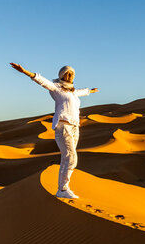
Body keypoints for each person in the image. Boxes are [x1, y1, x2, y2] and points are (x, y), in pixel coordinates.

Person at [10, 63, 98, 199]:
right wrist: (25, 71)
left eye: (72, 74)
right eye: (67, 73)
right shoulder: (56, 88)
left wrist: (90, 91)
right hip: (63, 126)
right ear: (61, 76)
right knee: (71, 158)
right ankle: (62, 189)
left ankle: (63, 189)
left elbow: (82, 91)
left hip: (75, 127)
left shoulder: (73, 92)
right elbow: (41, 81)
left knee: (67, 158)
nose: (69, 75)